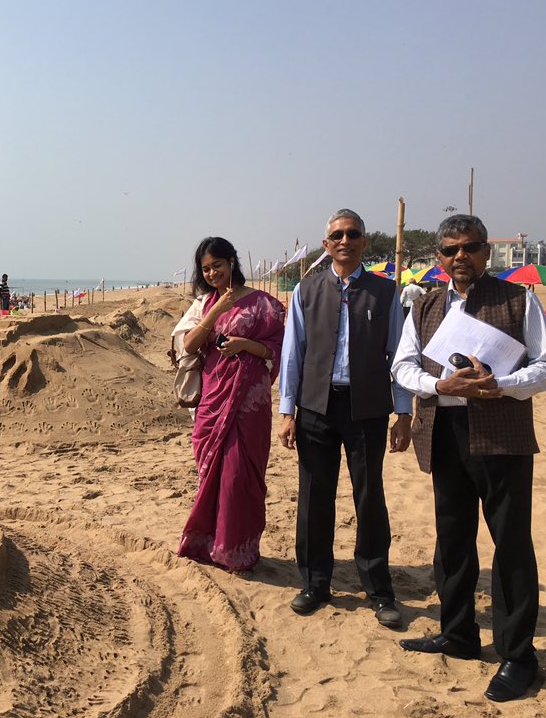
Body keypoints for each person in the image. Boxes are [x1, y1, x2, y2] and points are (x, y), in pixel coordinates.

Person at [391, 214, 546, 702]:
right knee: (452, 540)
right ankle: (459, 634)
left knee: (511, 544)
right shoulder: (424, 305)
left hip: (502, 436)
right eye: (450, 250)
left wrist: (500, 384)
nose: (460, 256)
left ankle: (518, 656)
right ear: (439, 257)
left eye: (469, 247)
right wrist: (438, 384)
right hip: (444, 434)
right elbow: (402, 365)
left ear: (486, 252)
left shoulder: (518, 300)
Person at [278, 208, 412, 628]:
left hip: (367, 408)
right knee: (314, 497)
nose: (345, 241)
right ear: (326, 244)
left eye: (353, 234)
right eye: (337, 235)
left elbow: (399, 355)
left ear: (364, 242)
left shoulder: (385, 292)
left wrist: (403, 410)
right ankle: (315, 582)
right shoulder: (306, 290)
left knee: (369, 497)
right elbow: (293, 352)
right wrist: (287, 411)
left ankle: (379, 589)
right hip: (316, 407)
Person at [172, 237, 285, 573]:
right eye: (206, 269)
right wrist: (216, 310)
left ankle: (236, 551)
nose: (212, 273)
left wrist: (245, 345)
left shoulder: (264, 304)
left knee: (239, 476)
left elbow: (277, 350)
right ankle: (206, 544)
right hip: (212, 399)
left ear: (232, 262)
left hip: (250, 403)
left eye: (217, 265)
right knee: (210, 474)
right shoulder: (204, 304)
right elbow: (189, 346)